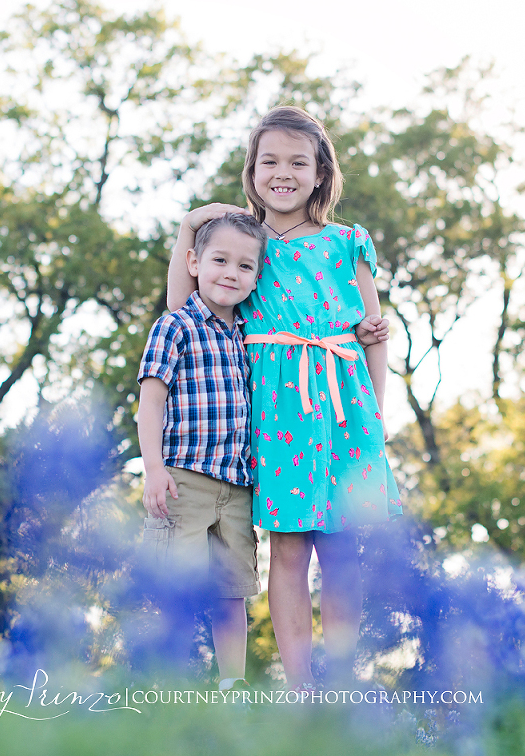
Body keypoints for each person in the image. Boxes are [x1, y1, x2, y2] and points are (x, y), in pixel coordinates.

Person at [166, 106, 401, 692]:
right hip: (275, 413)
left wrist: (380, 406)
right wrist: (188, 227)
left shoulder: (350, 242)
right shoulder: (242, 241)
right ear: (251, 172)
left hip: (345, 408)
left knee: (344, 550)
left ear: (320, 172)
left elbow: (372, 331)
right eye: (269, 160)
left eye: (299, 162)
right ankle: (301, 690)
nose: (284, 172)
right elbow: (180, 309)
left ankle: (343, 685)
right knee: (290, 549)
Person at [137, 212, 268, 692]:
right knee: (169, 587)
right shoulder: (176, 325)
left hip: (236, 488)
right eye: (219, 260)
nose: (231, 273)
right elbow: (150, 401)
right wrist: (154, 468)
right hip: (183, 478)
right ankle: (158, 683)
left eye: (245, 266)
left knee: (231, 593)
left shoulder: (249, 335)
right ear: (193, 262)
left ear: (257, 277)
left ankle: (231, 686)